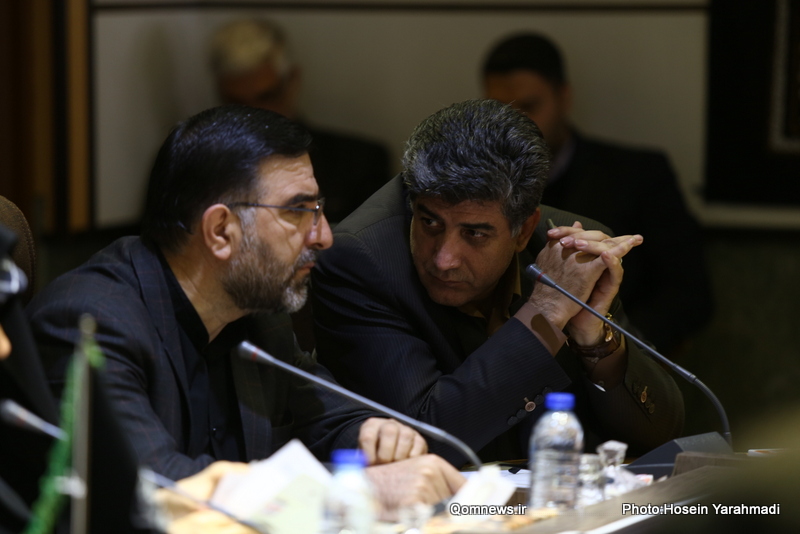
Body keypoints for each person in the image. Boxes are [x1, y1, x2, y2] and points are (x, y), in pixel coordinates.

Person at [26, 106, 464, 510]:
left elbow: (331, 419)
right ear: (220, 230)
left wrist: (375, 437)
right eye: (298, 211)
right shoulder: (89, 322)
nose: (324, 236)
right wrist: (358, 491)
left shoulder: (256, 317)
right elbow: (154, 491)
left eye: (318, 209)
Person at [312, 99, 685, 466]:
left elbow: (661, 434)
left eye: (474, 233)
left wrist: (595, 339)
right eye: (430, 222)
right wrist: (546, 312)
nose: (444, 259)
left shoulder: (568, 254)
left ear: (523, 230)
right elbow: (425, 438)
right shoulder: (361, 261)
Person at [481, 33, 713, 356]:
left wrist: (611, 344)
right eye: (501, 111)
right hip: (509, 356)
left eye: (530, 106)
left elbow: (689, 294)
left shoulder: (637, 175)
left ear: (563, 97)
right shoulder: (479, 186)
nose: (515, 125)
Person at [210, 19, 391, 224]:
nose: (253, 114)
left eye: (266, 97)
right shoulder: (204, 170)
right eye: (237, 103)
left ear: (292, 82)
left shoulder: (358, 164)